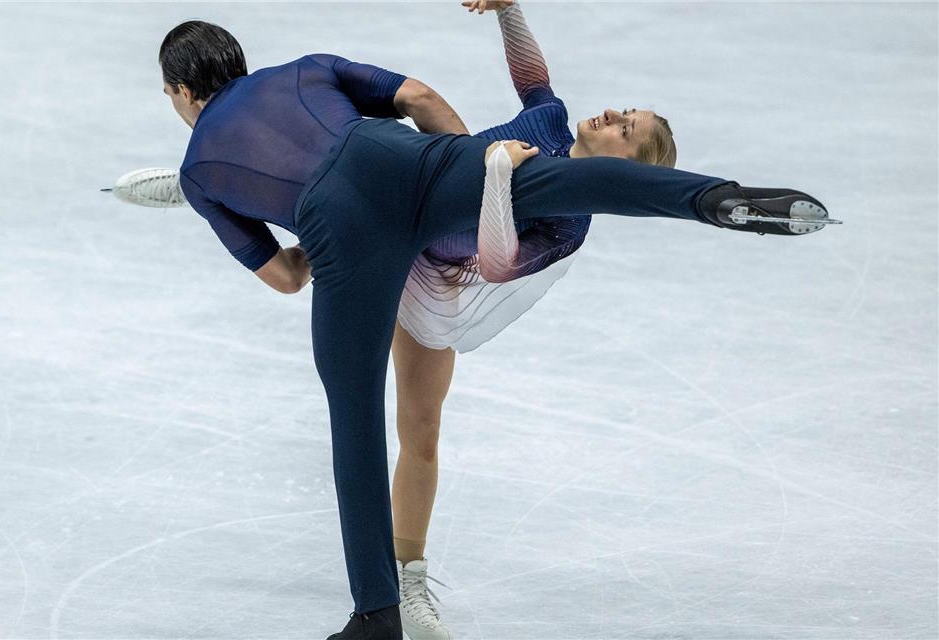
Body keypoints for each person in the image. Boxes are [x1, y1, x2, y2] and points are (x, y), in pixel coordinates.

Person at [138, 11, 830, 638]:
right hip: (414, 171)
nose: (615, 115)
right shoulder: (304, 70)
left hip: (396, 260)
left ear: (178, 93)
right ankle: (713, 198)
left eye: (629, 126)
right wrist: (463, 166)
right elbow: (423, 98)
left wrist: (320, 219)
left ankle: (377, 612)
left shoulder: (203, 169)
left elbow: (292, 278)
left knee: (355, 415)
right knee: (553, 183)